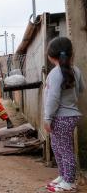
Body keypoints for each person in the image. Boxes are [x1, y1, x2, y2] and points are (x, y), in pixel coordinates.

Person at [44, 37, 84, 192]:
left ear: (51, 55)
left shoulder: (55, 73)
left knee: (64, 149)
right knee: (57, 146)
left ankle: (69, 181)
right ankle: (63, 175)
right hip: (69, 116)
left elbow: (52, 99)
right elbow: (81, 89)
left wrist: (47, 118)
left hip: (60, 117)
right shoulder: (76, 70)